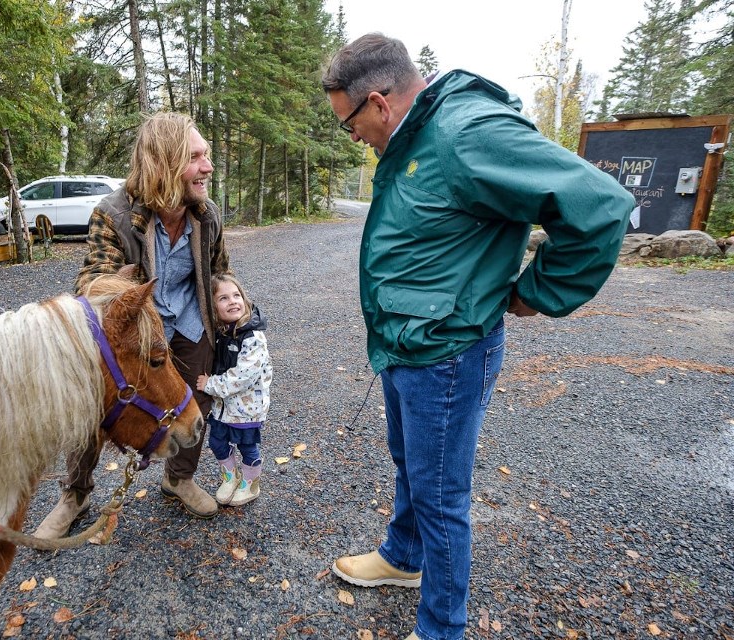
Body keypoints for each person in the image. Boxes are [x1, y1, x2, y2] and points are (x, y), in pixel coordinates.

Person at [322, 34, 635, 640]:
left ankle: (442, 627)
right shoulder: (419, 135)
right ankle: (403, 557)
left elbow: (598, 206)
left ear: (380, 103)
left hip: (448, 352)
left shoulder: (467, 133)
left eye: (349, 124)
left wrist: (533, 292)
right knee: (412, 464)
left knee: (441, 495)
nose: (353, 136)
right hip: (410, 342)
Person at [34, 112, 231, 538]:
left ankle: (178, 478)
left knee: (198, 393)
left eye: (207, 156)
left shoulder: (207, 215)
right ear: (165, 162)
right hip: (136, 330)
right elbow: (89, 281)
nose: (207, 167)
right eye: (196, 157)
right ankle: (75, 493)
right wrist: (115, 289)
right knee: (95, 401)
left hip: (190, 320)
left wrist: (237, 309)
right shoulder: (114, 213)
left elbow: (218, 272)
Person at [195, 274, 273, 507]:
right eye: (223, 298)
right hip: (222, 409)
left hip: (246, 408)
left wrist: (210, 385)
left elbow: (243, 377)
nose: (232, 301)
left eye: (237, 295)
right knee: (217, 442)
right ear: (213, 307)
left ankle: (251, 485)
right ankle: (230, 478)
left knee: (248, 447)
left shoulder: (253, 337)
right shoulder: (222, 333)